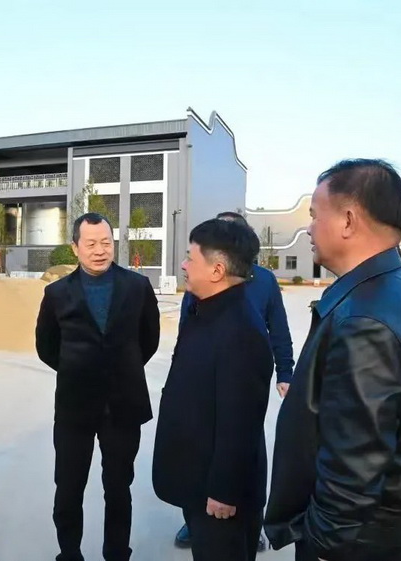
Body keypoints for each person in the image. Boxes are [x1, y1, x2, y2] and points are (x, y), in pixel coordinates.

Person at [264, 159, 401, 561]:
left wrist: (324, 545)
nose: (309, 228)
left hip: (352, 543)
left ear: (347, 220)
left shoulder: (365, 318)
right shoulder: (386, 290)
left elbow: (355, 466)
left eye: (315, 215)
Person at [36, 212, 160, 561]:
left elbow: (148, 340)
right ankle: (69, 553)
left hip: (124, 405)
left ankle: (117, 552)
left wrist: (121, 369)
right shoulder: (57, 293)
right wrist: (80, 370)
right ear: (75, 247)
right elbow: (47, 347)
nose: (100, 250)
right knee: (68, 488)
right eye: (90, 244)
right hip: (75, 407)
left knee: (119, 488)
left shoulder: (137, 287)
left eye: (106, 242)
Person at [153, 218, 273, 561]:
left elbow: (241, 422)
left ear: (217, 270)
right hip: (198, 481)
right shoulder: (205, 311)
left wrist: (224, 490)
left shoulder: (241, 331)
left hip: (220, 500)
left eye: (190, 257)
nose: (183, 265)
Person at [174, 210, 294, 551]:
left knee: (240, 437)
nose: (184, 265)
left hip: (238, 377)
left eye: (191, 257)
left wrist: (285, 371)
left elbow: (279, 328)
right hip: (206, 392)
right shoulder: (200, 294)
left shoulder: (251, 310)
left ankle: (245, 516)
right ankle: (197, 518)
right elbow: (187, 329)